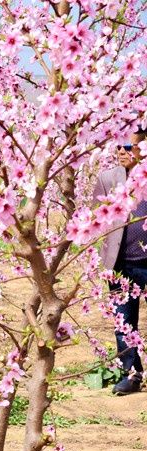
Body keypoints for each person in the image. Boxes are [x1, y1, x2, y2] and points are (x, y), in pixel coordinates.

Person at [94, 127, 147, 395]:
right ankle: (132, 374)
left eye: (129, 146)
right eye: (118, 146)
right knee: (124, 323)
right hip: (120, 265)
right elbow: (98, 217)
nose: (122, 151)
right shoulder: (107, 179)